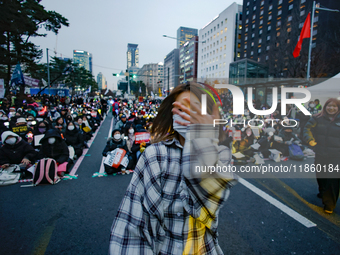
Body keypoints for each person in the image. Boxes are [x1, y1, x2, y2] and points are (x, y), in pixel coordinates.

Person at [109, 83, 237, 254]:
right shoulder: (155, 154)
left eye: (197, 109)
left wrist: (203, 141)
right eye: (182, 108)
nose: (190, 114)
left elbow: (203, 203)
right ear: (172, 114)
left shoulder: (220, 155)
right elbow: (134, 226)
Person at [303, 98, 340, 214]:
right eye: (329, 105)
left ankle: (329, 204)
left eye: (335, 106)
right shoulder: (317, 118)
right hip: (320, 152)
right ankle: (323, 191)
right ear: (325, 106)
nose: (331, 108)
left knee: (333, 179)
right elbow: (307, 129)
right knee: (321, 175)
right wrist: (310, 140)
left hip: (337, 155)